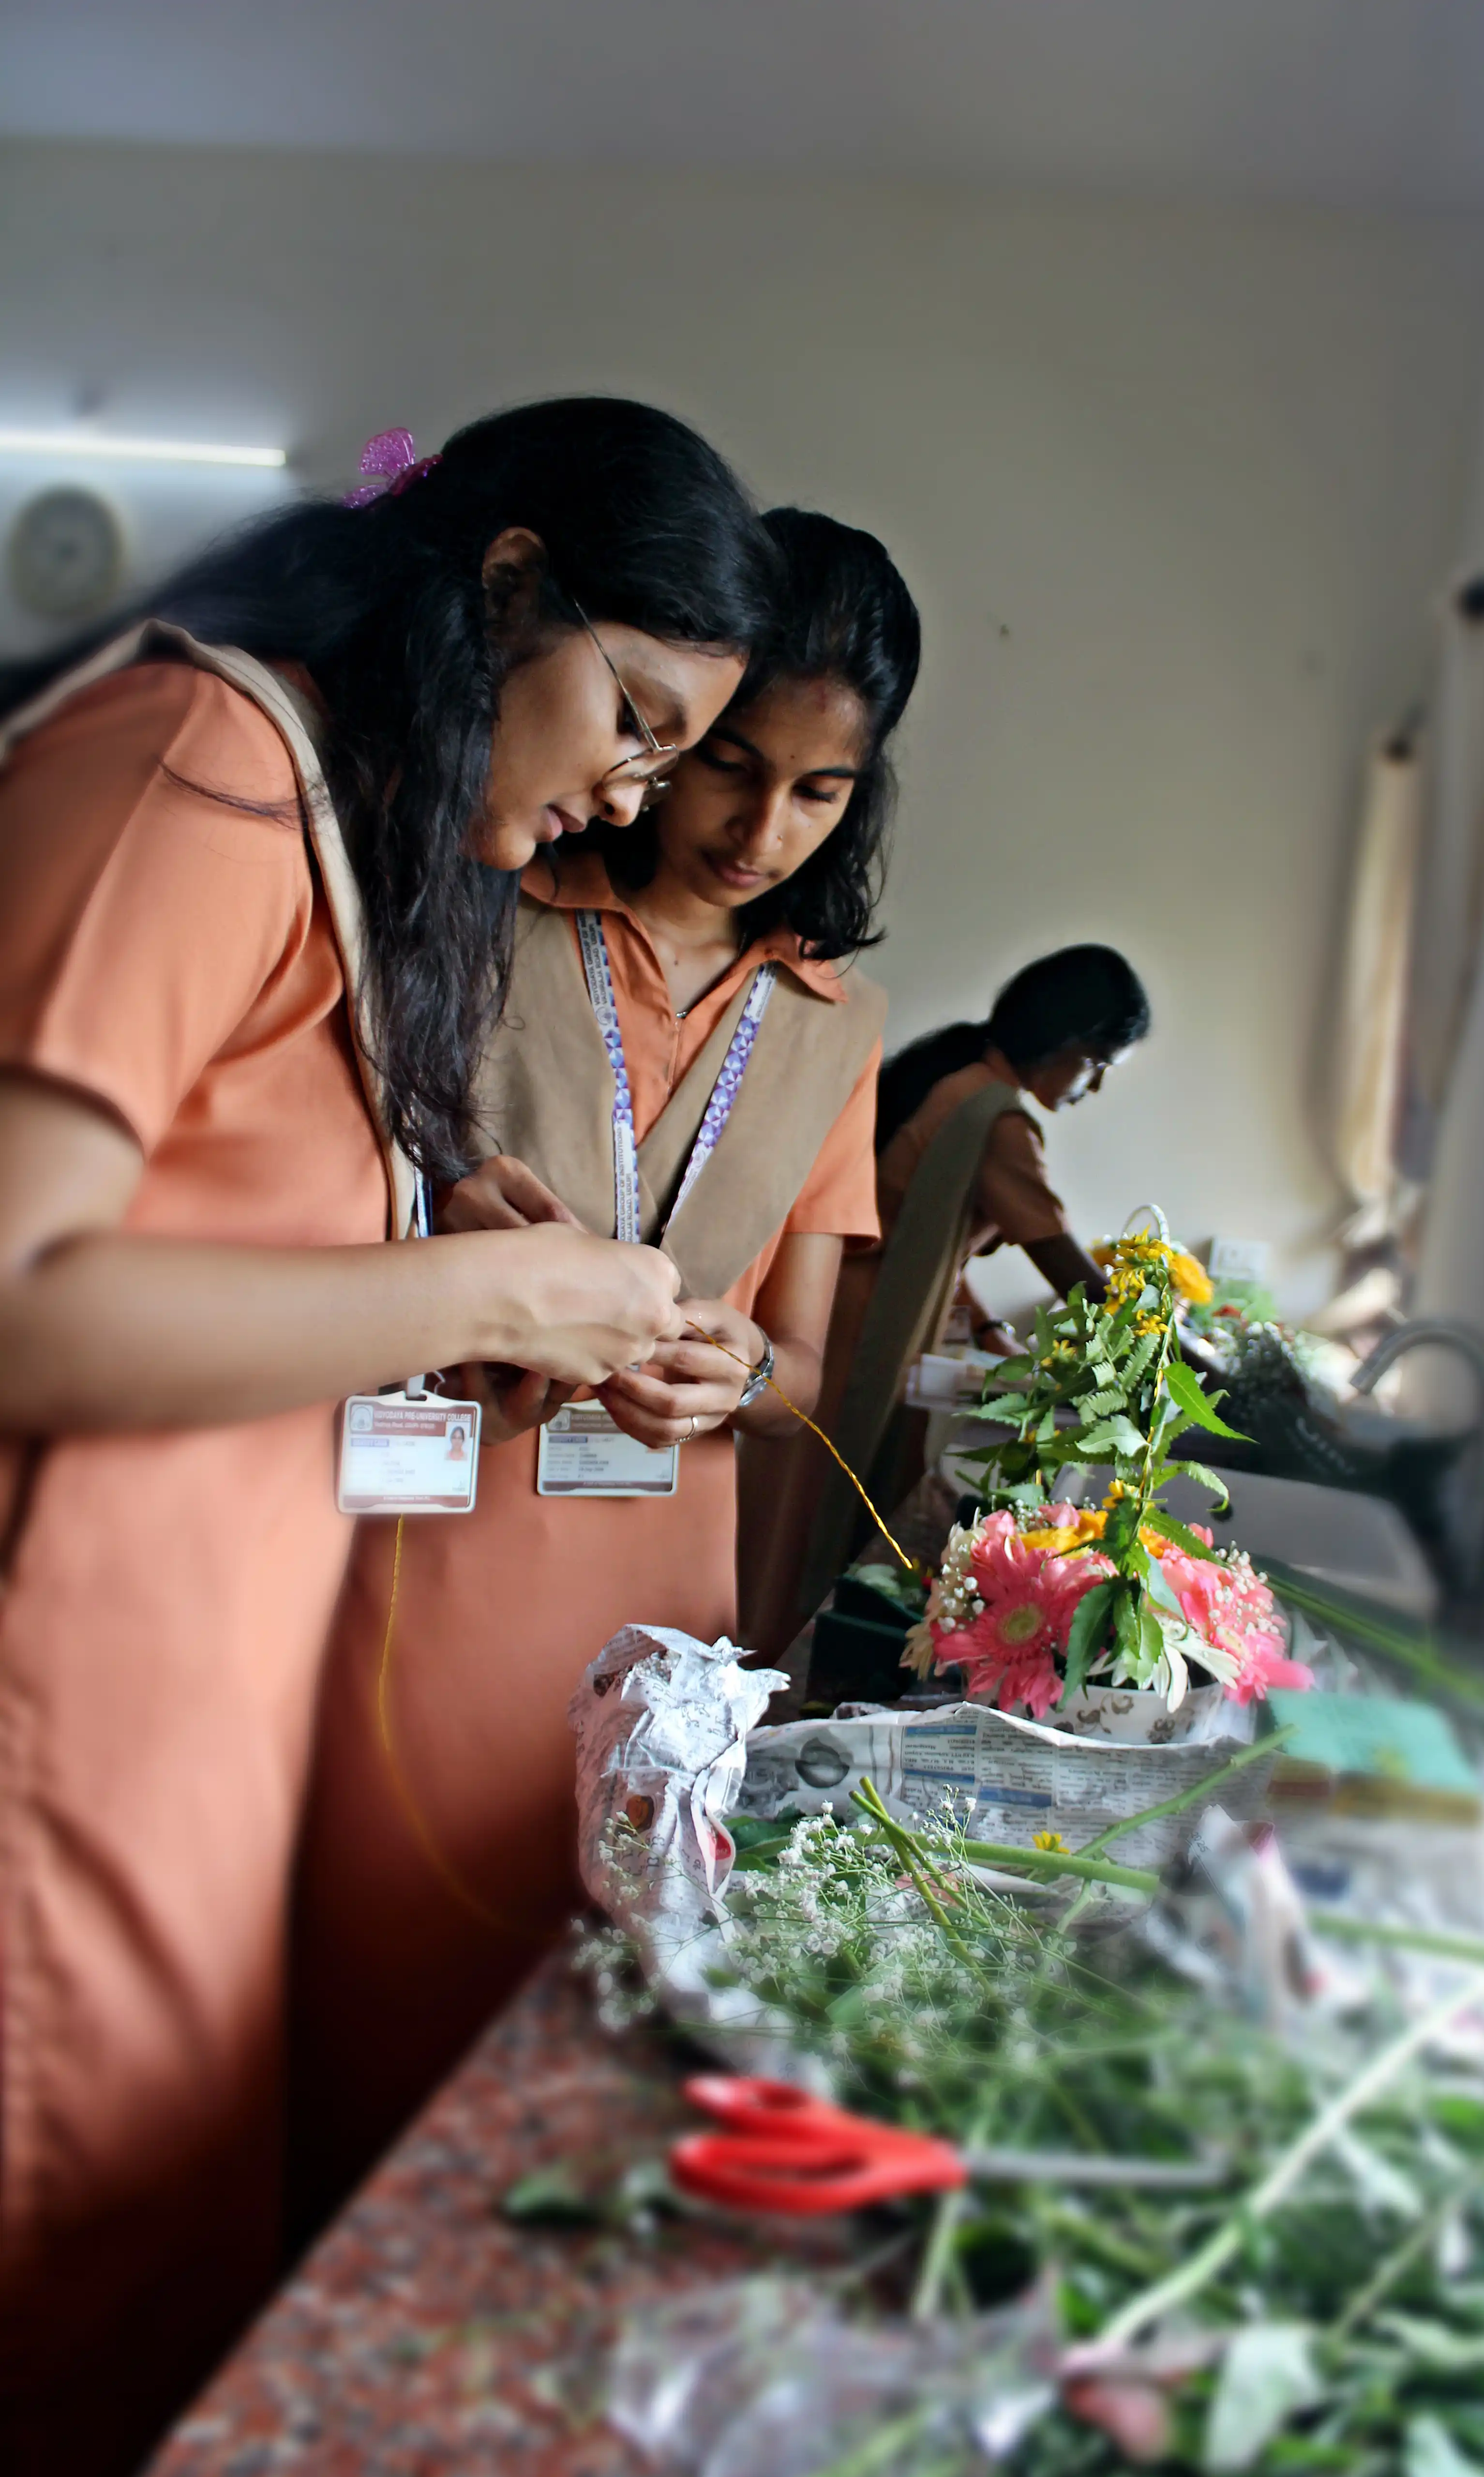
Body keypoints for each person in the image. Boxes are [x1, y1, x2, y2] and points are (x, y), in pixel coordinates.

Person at [0, 394, 779, 2477]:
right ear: (504, 583)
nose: (626, 795)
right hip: (54, 1716)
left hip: (185, 1723)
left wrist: (454, 1236)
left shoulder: (325, 833)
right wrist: (491, 1301)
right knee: (70, 2296)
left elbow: (211, 1236)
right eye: (629, 718)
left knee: (151, 2271)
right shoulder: (208, 763)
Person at [288, 508, 921, 2227]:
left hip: (664, 1573)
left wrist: (734, 1370)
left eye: (818, 792)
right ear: (662, 731)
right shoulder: (486, 896)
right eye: (730, 763)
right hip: (434, 1525)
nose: (756, 826)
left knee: (606, 1963)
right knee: (388, 1930)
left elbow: (798, 1363)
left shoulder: (837, 1023)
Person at [741, 945, 1151, 1653]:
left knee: (792, 1511)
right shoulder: (997, 1120)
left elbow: (922, 1241)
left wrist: (990, 1327)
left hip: (838, 1311)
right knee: (818, 1518)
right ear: (1066, 1041)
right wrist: (1162, 1343)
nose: (1096, 1086)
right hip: (858, 1336)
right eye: (1099, 1063)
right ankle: (777, 1667)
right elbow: (1071, 1271)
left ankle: (763, 1651)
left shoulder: (959, 1080)